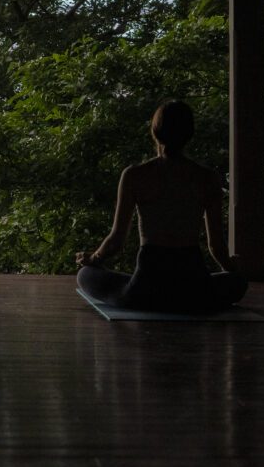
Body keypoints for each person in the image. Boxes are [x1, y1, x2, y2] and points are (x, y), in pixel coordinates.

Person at [76, 100, 248, 313]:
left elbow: (116, 241)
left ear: (155, 132)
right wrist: (233, 270)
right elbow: (216, 247)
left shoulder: (135, 176)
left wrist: (92, 259)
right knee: (239, 283)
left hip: (145, 290)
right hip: (195, 291)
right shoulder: (207, 178)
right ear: (189, 135)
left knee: (85, 275)